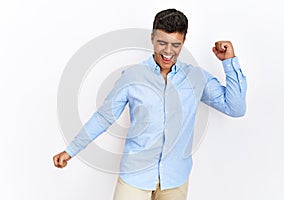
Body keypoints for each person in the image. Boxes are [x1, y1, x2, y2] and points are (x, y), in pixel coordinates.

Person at [53, 8, 247, 200]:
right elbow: (104, 117)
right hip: (135, 177)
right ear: (152, 37)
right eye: (162, 43)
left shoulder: (196, 77)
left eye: (175, 45)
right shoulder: (132, 76)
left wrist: (229, 62)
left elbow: (235, 108)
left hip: (175, 179)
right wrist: (71, 151)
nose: (168, 52)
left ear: (184, 42)